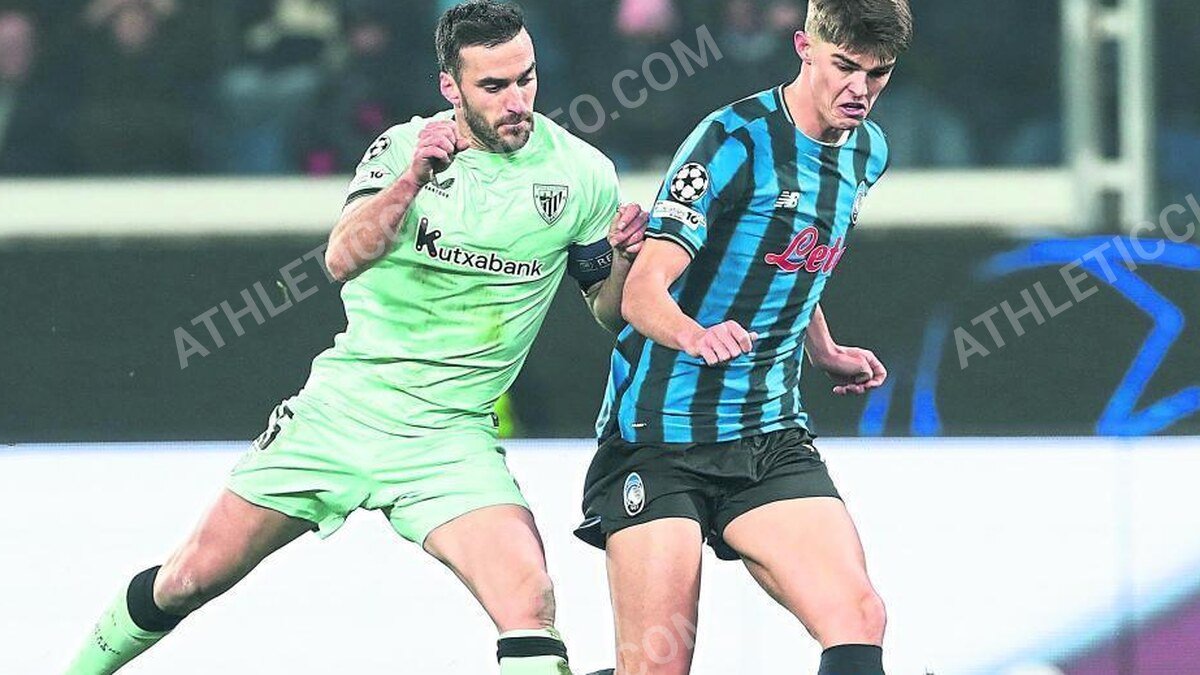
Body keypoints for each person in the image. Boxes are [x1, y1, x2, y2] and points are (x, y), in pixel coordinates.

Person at [64, 2, 646, 674]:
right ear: (451, 87)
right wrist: (412, 181)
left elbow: (608, 314)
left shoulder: (581, 174)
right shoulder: (402, 150)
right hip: (342, 413)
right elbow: (341, 259)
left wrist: (621, 263)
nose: (517, 101)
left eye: (526, 78)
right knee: (188, 578)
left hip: (449, 438)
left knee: (529, 599)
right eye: (493, 86)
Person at [574, 1, 912, 673]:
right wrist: (695, 335)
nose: (859, 90)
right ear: (804, 47)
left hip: (767, 436)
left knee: (858, 615)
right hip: (661, 434)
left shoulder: (868, 151)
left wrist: (823, 349)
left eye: (877, 74)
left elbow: (788, 261)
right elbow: (642, 292)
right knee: (657, 665)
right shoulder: (731, 141)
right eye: (845, 66)